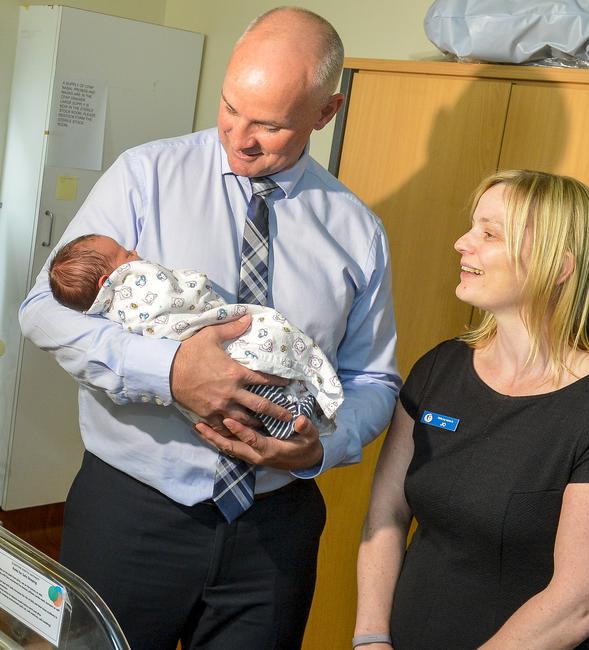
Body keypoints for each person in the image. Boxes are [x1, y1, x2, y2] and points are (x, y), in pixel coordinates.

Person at [20, 7, 400, 650]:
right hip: (131, 513)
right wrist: (170, 373)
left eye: (269, 125)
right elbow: (44, 310)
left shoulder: (357, 233)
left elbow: (374, 377)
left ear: (325, 113)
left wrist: (320, 450)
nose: (239, 136)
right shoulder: (144, 177)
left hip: (274, 531)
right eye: (230, 108)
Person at [355, 170, 589, 650]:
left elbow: (581, 604)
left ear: (559, 266)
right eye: (473, 227)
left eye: (489, 233)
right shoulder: (440, 367)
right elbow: (384, 514)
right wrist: (370, 639)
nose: (461, 243)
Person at [48, 233, 344, 439]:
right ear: (108, 281)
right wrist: (173, 370)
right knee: (260, 363)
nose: (135, 254)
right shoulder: (138, 280)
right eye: (125, 254)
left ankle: (291, 416)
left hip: (276, 495)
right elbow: (184, 291)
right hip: (137, 492)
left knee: (253, 391)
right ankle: (298, 409)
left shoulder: (104, 313)